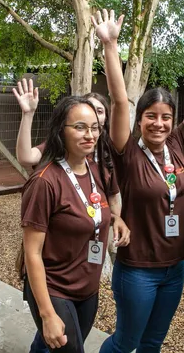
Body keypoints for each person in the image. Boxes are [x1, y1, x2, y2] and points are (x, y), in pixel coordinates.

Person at [94, 9, 184, 352]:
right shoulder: (127, 151)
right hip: (137, 268)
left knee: (153, 343)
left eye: (166, 118)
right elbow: (120, 100)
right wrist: (110, 45)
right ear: (140, 120)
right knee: (125, 342)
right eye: (151, 116)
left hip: (173, 268)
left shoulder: (178, 144)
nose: (159, 124)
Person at [14, 79, 123, 353]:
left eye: (95, 128)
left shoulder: (98, 171)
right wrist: (48, 314)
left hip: (87, 287)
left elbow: (103, 211)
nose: (90, 135)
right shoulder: (45, 181)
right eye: (80, 127)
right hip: (55, 288)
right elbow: (32, 253)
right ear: (60, 131)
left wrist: (118, 220)